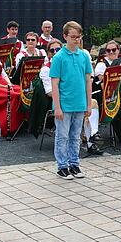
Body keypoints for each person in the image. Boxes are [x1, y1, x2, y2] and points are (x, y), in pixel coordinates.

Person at [50, 21, 92, 179]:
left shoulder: (84, 56)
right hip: (65, 104)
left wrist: (88, 103)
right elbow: (55, 83)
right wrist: (57, 107)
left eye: (78, 37)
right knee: (62, 136)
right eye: (73, 37)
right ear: (65, 36)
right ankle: (62, 166)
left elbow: (88, 80)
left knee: (75, 136)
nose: (76, 40)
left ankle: (74, 163)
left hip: (79, 103)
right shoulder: (59, 57)